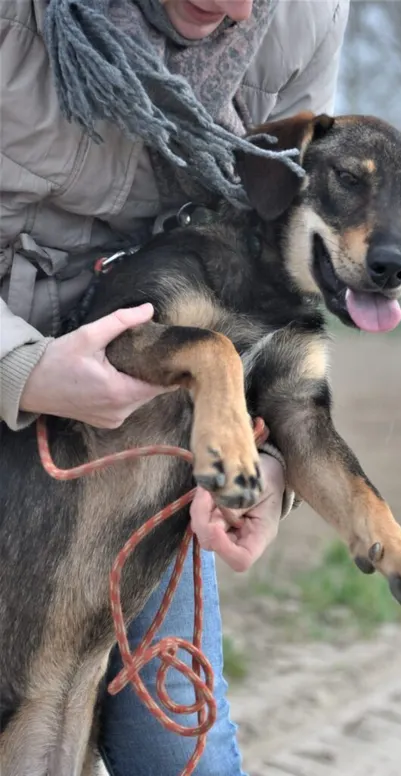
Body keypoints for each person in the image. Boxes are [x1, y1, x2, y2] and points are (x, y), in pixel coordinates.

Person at [0, 0, 349, 773]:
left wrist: (260, 474)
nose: (238, 10)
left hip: (143, 443)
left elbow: (269, 276)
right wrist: (22, 367)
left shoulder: (305, 18)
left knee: (175, 751)